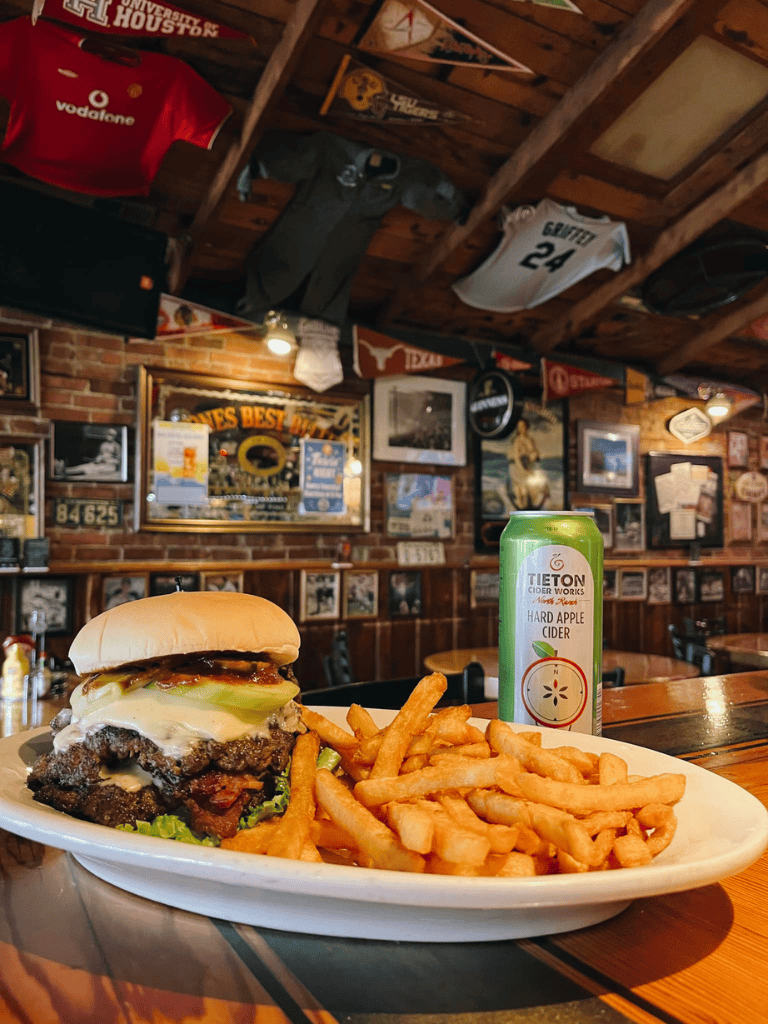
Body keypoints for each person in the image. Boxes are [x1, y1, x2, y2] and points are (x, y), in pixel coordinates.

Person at [506, 419, 550, 510]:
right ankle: (522, 504)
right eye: (519, 427)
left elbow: (534, 453)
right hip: (518, 468)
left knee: (538, 486)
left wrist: (533, 457)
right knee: (523, 489)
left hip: (530, 466)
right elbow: (516, 458)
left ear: (527, 427)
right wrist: (523, 470)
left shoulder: (530, 440)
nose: (521, 428)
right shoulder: (517, 440)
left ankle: (533, 505)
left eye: (523, 426)